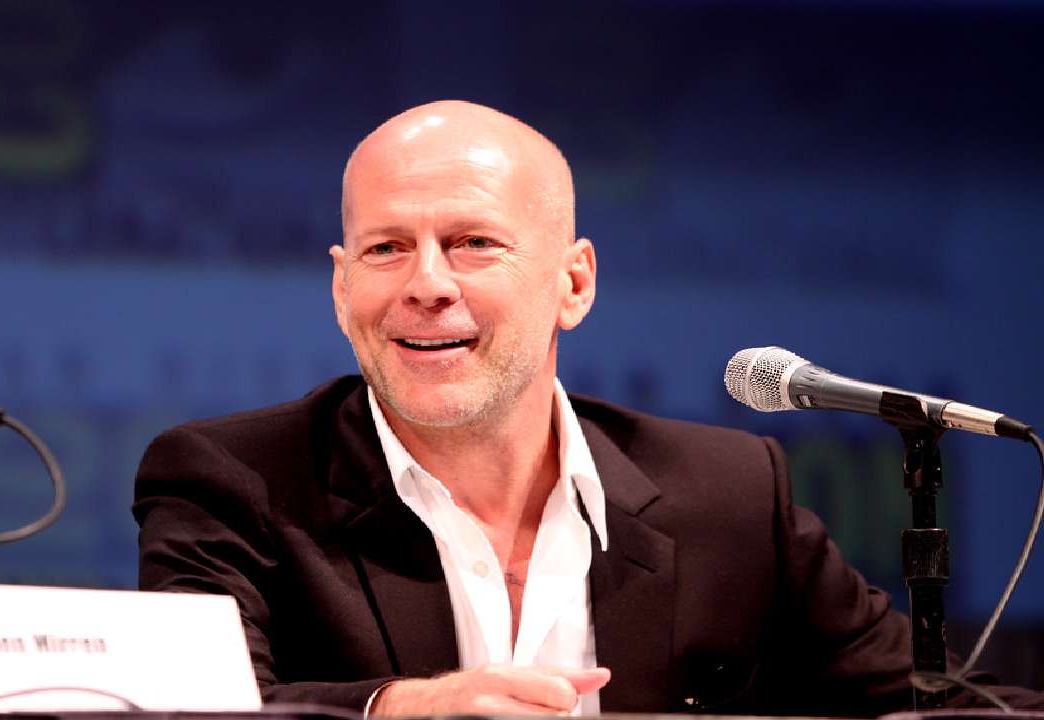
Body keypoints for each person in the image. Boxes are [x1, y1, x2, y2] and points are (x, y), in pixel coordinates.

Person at [133, 101, 1023, 716]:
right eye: (387, 248)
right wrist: (402, 710)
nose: (427, 284)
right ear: (340, 286)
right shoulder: (230, 482)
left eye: (473, 243)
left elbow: (927, 700)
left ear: (574, 281)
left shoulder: (729, 494)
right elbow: (188, 710)